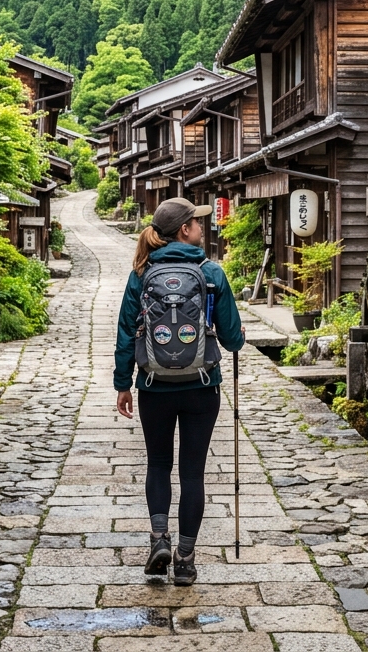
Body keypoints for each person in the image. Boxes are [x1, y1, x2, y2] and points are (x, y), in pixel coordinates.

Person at [114, 196, 244, 586]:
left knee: (157, 465)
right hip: (201, 388)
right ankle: (185, 559)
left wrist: (123, 384)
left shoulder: (141, 271)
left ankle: (159, 540)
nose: (202, 228)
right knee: (192, 473)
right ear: (184, 230)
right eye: (197, 223)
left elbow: (125, 332)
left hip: (153, 385)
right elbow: (233, 339)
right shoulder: (211, 273)